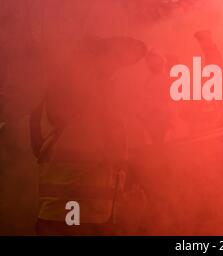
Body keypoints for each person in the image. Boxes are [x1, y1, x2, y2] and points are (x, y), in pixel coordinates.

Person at [30, 36, 148, 235]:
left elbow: (39, 142)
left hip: (61, 214)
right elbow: (113, 147)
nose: (118, 67)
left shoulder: (57, 92)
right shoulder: (90, 99)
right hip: (84, 217)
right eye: (118, 59)